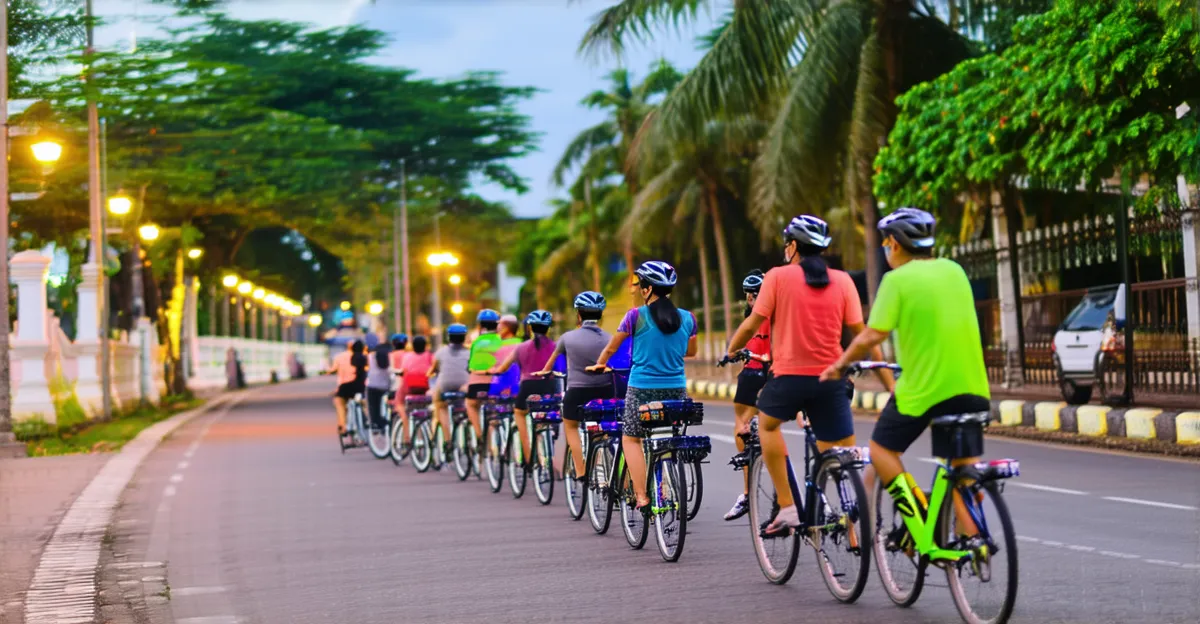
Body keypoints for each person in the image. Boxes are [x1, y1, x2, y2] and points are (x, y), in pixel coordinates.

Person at [821, 207, 990, 538]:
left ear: (895, 244)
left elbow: (871, 335)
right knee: (962, 472)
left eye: (886, 241)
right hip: (973, 389)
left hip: (925, 391)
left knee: (883, 451)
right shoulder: (955, 271)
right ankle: (974, 545)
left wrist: (839, 365)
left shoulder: (896, 280)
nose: (885, 248)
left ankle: (920, 519)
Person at [726, 215, 893, 534]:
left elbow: (751, 324)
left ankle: (788, 509)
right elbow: (863, 335)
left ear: (792, 247)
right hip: (833, 380)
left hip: (788, 379)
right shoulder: (843, 281)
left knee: (767, 426)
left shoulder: (776, 277)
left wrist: (731, 350)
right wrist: (884, 379)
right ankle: (853, 521)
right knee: (841, 453)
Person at [589, 261, 697, 511]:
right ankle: (668, 484)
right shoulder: (688, 318)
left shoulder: (635, 316)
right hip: (676, 389)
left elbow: (612, 347)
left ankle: (642, 496)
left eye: (641, 286)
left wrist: (600, 364)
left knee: (632, 439)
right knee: (669, 436)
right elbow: (690, 351)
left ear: (647, 290)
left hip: (642, 389)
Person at [535, 291, 613, 481]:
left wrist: (545, 373)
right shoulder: (610, 337)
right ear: (600, 315)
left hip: (578, 392)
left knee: (570, 425)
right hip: (606, 391)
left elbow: (550, 365)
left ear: (579, 314)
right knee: (608, 428)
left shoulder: (567, 338)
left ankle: (580, 470)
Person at [724, 269, 771, 521]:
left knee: (741, 425)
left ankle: (746, 492)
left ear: (751, 297)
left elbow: (734, 347)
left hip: (753, 373)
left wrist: (730, 353)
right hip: (780, 373)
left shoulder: (753, 316)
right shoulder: (778, 311)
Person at [489, 310, 558, 464]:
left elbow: (502, 368)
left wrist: (492, 371)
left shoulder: (521, 347)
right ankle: (548, 444)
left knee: (520, 414)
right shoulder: (555, 346)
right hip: (549, 387)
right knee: (547, 415)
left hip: (527, 387)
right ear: (548, 328)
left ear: (530, 328)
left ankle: (527, 457)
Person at [428, 323, 472, 444]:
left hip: (445, 385)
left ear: (449, 337)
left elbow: (432, 371)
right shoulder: (470, 352)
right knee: (470, 404)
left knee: (440, 404)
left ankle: (447, 440)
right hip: (464, 385)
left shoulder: (440, 352)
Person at [393, 336, 433, 446]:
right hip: (424, 388)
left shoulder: (407, 356)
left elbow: (403, 370)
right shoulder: (429, 356)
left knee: (399, 403)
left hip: (409, 388)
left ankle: (406, 434)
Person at [328, 340, 368, 434]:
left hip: (348, 386)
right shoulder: (366, 357)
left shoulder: (342, 357)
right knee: (364, 403)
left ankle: (343, 426)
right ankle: (368, 421)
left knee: (339, 401)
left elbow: (332, 369)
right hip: (362, 386)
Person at [365, 342, 392, 430]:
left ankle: (375, 423)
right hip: (386, 386)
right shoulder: (390, 357)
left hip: (372, 385)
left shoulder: (370, 356)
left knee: (373, 406)